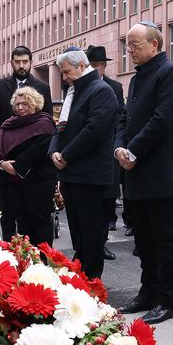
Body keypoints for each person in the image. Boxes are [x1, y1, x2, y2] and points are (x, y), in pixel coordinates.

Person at [114, 21, 173, 325]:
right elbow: (125, 119)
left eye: (134, 45)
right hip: (134, 171)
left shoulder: (171, 72)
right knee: (143, 238)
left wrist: (133, 151)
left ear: (154, 45)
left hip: (157, 172)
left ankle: (168, 300)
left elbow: (162, 119)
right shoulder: (136, 78)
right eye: (127, 46)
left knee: (164, 238)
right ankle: (148, 291)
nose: (129, 51)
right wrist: (119, 147)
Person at [49, 49, 118, 279]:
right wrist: (53, 152)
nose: (65, 77)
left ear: (81, 66)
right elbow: (61, 126)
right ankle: (80, 275)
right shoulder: (74, 91)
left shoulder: (100, 91)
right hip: (73, 173)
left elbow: (93, 130)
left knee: (91, 234)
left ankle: (91, 279)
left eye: (67, 72)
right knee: (78, 232)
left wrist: (65, 155)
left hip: (90, 175)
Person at [0, 86, 58, 244]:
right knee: (22, 222)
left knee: (40, 221)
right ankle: (27, 259)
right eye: (18, 104)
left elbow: (39, 149)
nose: (20, 107)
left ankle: (44, 259)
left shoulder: (44, 122)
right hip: (14, 183)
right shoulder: (9, 123)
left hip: (38, 181)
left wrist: (16, 167)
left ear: (35, 104)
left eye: (25, 104)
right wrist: (2, 163)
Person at [86, 44, 125, 256]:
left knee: (107, 199)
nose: (92, 70)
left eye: (95, 65)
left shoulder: (114, 87)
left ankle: (101, 243)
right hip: (87, 150)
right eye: (88, 65)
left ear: (102, 66)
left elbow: (120, 116)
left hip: (108, 150)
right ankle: (91, 245)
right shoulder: (78, 86)